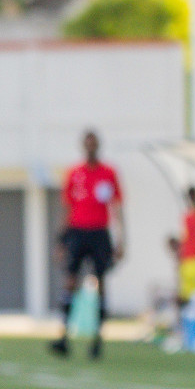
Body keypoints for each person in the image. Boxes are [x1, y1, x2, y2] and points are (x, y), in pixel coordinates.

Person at [49, 130, 123, 359]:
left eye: (94, 143)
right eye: (87, 143)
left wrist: (121, 240)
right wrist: (61, 241)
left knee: (100, 284)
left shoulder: (108, 173)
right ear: (83, 146)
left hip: (100, 232)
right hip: (77, 232)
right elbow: (66, 208)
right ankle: (63, 336)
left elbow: (117, 207)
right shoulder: (74, 173)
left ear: (98, 146)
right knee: (70, 281)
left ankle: (98, 340)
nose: (90, 147)